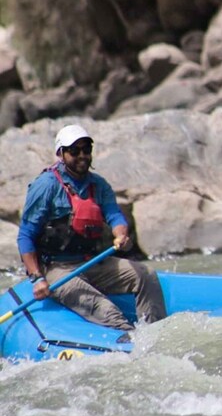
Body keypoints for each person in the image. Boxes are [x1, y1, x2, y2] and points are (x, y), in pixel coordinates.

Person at [17, 124, 166, 331]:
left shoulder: (98, 184)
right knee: (107, 310)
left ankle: (156, 331)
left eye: (86, 149)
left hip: (90, 263)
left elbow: (114, 215)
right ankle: (127, 339)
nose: (82, 156)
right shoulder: (47, 185)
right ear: (61, 153)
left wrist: (120, 235)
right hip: (56, 269)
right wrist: (37, 278)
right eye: (74, 151)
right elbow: (25, 236)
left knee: (145, 274)